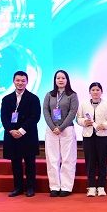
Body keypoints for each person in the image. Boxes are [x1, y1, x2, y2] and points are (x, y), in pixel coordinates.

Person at [0, 70, 41, 197]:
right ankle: (17, 188)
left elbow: (35, 117)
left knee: (30, 163)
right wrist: (11, 130)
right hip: (12, 136)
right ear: (13, 81)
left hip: (28, 135)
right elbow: (4, 117)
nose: (20, 83)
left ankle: (30, 188)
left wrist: (22, 130)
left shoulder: (33, 98)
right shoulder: (6, 99)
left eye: (23, 81)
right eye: (18, 80)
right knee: (15, 163)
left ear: (27, 82)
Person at [43, 69, 79, 197]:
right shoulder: (49, 95)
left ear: (67, 80)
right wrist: (53, 127)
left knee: (68, 159)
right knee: (52, 159)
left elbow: (72, 112)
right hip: (51, 130)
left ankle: (66, 187)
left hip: (67, 129)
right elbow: (45, 111)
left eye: (63, 78)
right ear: (55, 80)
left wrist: (61, 127)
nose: (60, 80)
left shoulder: (72, 95)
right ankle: (54, 186)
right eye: (58, 78)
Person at [77, 82, 107, 197]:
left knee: (102, 162)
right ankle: (91, 186)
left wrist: (105, 125)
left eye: (98, 90)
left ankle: (101, 186)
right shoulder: (83, 104)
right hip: (88, 136)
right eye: (93, 90)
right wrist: (84, 122)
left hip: (104, 136)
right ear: (89, 92)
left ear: (101, 91)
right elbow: (78, 118)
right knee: (90, 162)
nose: (95, 92)